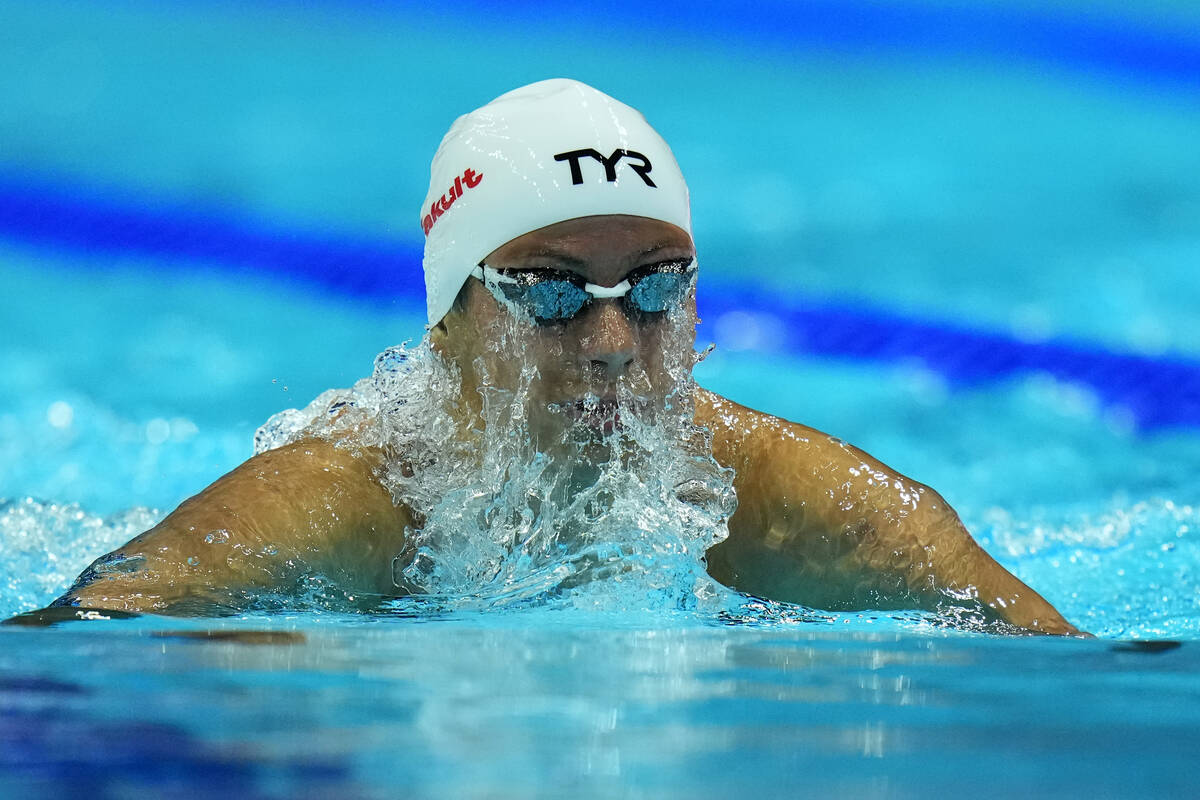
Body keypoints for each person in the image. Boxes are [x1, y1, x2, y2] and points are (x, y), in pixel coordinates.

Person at [38, 79, 1081, 634]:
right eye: (549, 293)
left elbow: (1083, 684)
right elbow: (65, 658)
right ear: (449, 320)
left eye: (658, 287)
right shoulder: (351, 502)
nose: (613, 346)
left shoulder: (788, 498)